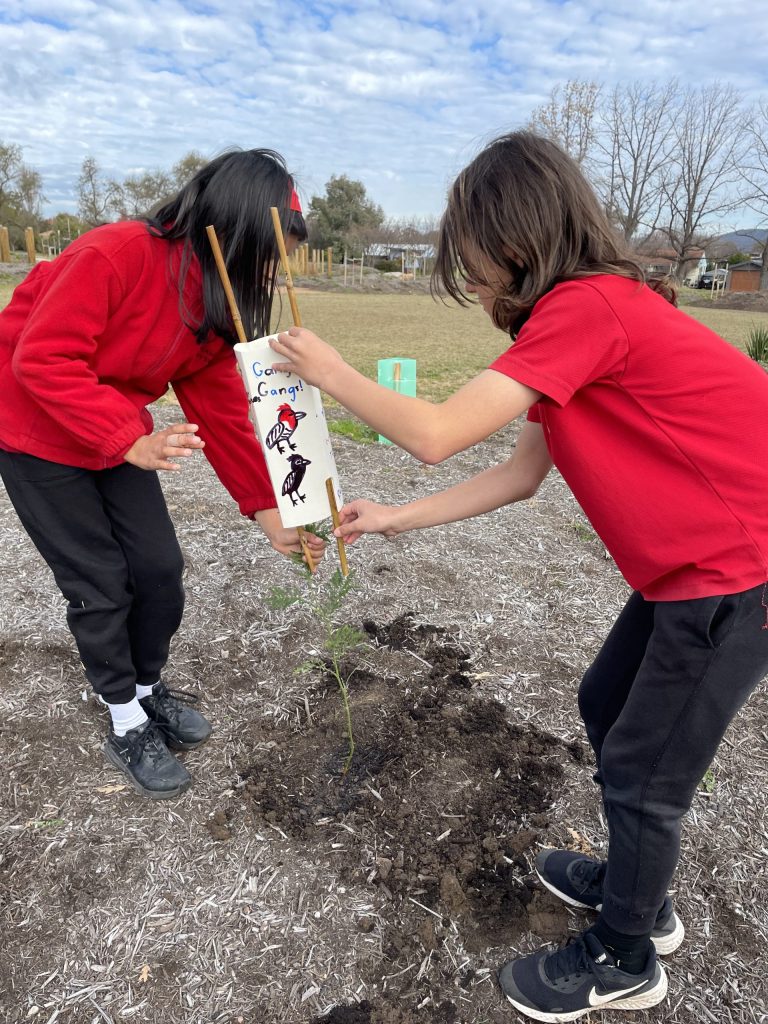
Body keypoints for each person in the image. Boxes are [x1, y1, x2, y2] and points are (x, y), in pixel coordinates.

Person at [268, 131, 768, 1021]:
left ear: (514, 236)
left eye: (472, 255)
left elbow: (433, 433)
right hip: (688, 573)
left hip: (738, 576)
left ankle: (626, 955)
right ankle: (634, 892)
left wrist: (331, 370)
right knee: (607, 708)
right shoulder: (575, 323)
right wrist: (388, 519)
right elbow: (519, 475)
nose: (472, 278)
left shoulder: (590, 307)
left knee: (645, 775)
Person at [0, 148, 325, 802]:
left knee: (157, 570)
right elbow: (43, 358)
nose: (273, 269)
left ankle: (147, 691)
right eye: (270, 252)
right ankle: (124, 723)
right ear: (232, 228)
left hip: (116, 436)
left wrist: (269, 507)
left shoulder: (212, 296)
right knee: (101, 582)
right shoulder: (113, 255)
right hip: (32, 425)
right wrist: (128, 439)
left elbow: (224, 407)